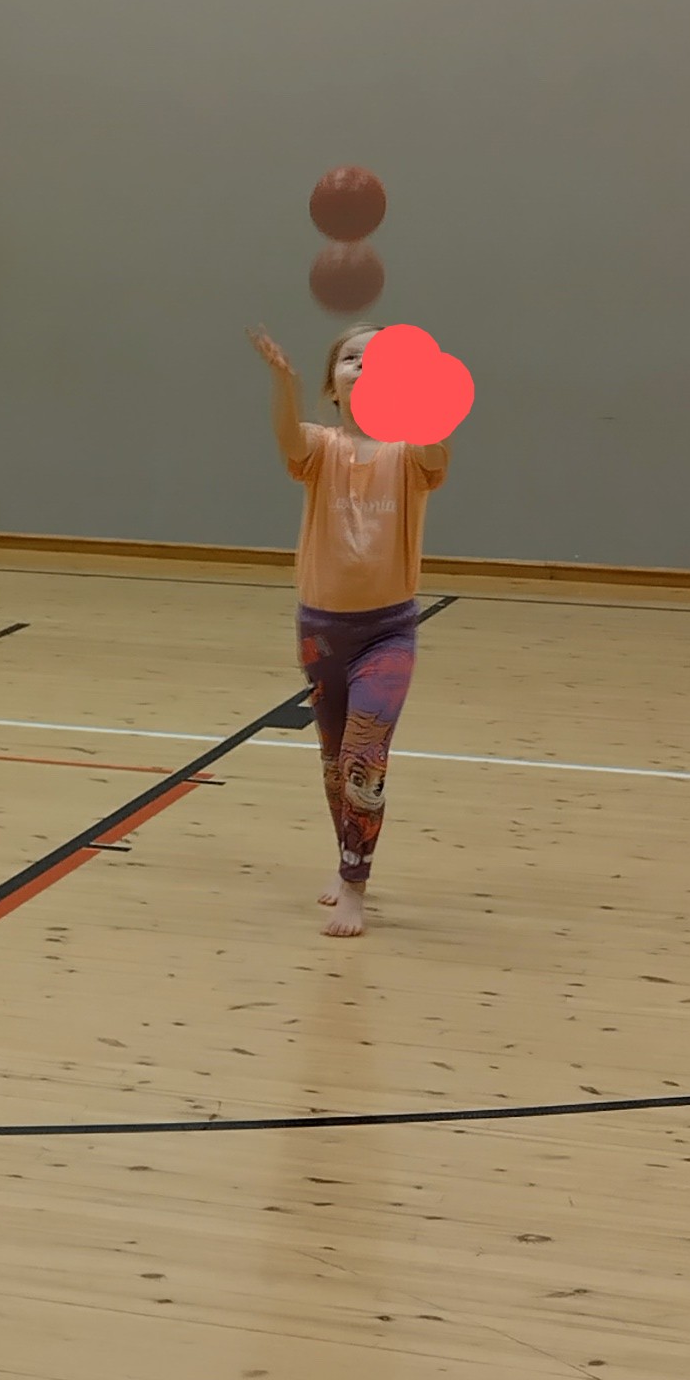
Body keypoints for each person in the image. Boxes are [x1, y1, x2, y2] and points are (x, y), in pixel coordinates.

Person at [249, 320, 451, 939]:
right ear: (332, 386)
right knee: (335, 760)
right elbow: (287, 436)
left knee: (365, 758)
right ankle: (345, 863)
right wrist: (284, 383)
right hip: (320, 632)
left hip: (387, 632)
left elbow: (435, 447)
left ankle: (355, 885)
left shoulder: (410, 452)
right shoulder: (320, 448)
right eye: (353, 359)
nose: (365, 367)